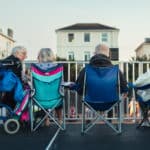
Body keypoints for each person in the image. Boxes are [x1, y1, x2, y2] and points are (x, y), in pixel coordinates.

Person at [72, 44, 128, 120]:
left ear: (94, 54)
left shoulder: (85, 70)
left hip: (90, 102)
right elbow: (124, 88)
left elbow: (79, 88)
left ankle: (87, 123)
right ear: (108, 55)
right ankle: (112, 122)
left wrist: (84, 92)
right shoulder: (116, 70)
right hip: (111, 102)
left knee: (85, 95)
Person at [37, 48, 63, 126]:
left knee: (42, 94)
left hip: (40, 97)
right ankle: (60, 120)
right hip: (55, 96)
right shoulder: (57, 67)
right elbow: (61, 82)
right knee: (59, 95)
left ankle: (46, 119)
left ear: (40, 56)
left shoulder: (36, 67)